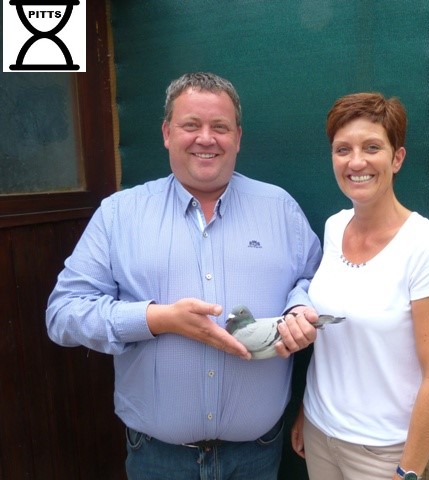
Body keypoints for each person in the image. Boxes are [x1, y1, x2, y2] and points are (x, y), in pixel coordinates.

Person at [46, 72, 323, 480]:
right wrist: (156, 319)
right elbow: (63, 315)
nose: (205, 138)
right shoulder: (119, 214)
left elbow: (316, 281)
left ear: (238, 137)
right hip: (157, 459)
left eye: (220, 127)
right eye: (191, 125)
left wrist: (300, 306)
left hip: (257, 456)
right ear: (166, 133)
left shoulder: (280, 209)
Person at [291, 93, 429, 480]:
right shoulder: (334, 227)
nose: (356, 162)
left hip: (382, 452)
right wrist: (306, 410)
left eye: (372, 148)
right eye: (343, 149)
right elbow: (337, 340)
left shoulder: (426, 247)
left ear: (397, 158)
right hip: (319, 434)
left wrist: (408, 471)